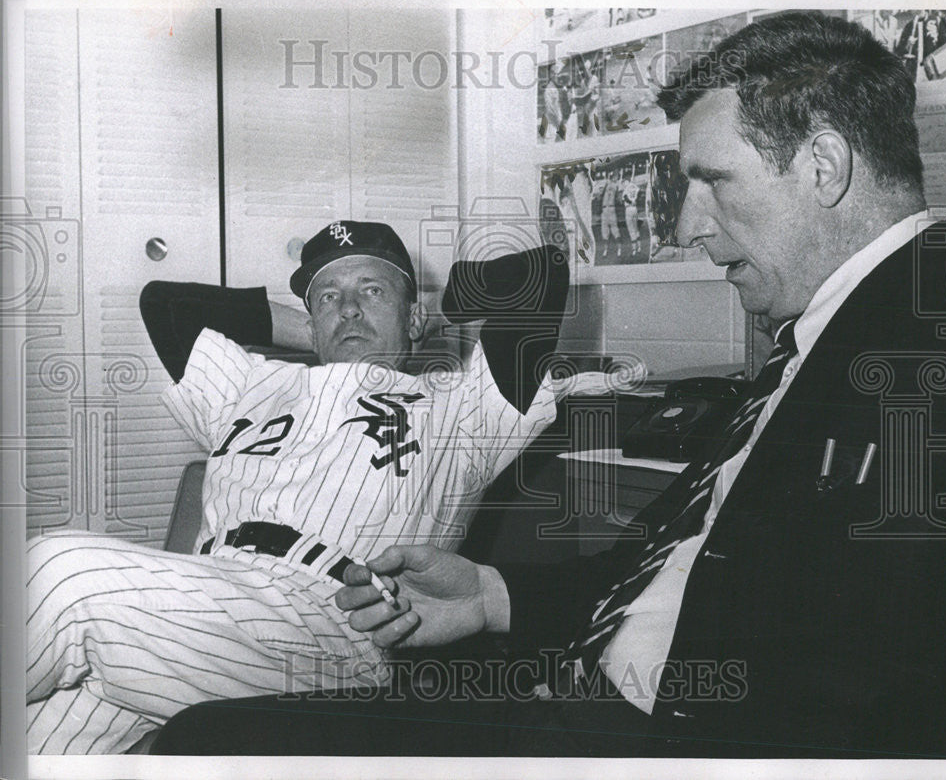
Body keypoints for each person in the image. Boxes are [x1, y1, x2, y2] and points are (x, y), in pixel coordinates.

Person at [156, 13, 946, 758]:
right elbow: (670, 564)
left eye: (713, 180)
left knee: (196, 738)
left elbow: (895, 687)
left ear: (824, 164)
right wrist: (490, 592)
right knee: (199, 738)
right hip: (566, 700)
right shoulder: (813, 341)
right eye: (327, 297)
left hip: (641, 738)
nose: (687, 224)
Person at [26, 220, 570, 754]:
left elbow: (535, 275)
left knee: (59, 573)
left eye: (373, 291)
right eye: (329, 296)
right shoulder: (257, 384)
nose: (349, 308)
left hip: (336, 623)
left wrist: (413, 319)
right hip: (210, 606)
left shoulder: (461, 407)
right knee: (37, 736)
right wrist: (316, 327)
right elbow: (165, 303)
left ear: (414, 317)